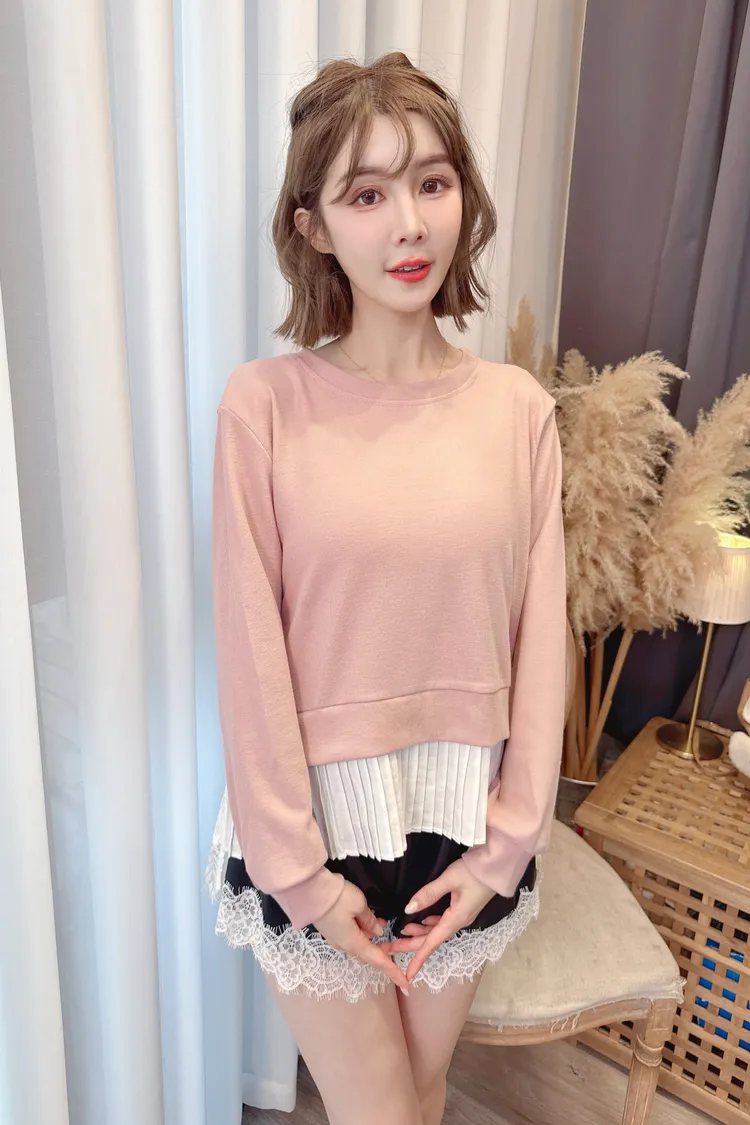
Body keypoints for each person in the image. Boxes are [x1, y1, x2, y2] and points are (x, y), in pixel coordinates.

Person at [206, 51, 567, 1125]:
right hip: (314, 823)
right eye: (365, 195)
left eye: (431, 182)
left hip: (466, 818)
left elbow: (540, 641)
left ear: (464, 197)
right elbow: (249, 651)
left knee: (418, 1096)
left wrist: (506, 847)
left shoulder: (518, 410)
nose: (409, 224)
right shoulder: (263, 406)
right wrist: (300, 874)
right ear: (313, 226)